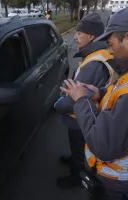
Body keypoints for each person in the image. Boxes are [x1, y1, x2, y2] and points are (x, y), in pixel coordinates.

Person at [60, 8, 128, 200]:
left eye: (111, 43)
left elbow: (104, 145)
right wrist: (102, 93)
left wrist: (81, 100)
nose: (110, 50)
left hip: (116, 184)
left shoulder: (97, 61)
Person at [54, 13, 116, 188]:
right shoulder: (98, 54)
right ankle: (74, 160)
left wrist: (58, 105)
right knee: (76, 147)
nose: (75, 36)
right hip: (82, 115)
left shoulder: (94, 64)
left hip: (80, 117)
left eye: (79, 33)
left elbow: (77, 98)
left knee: (80, 148)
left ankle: (76, 176)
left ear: (91, 36)